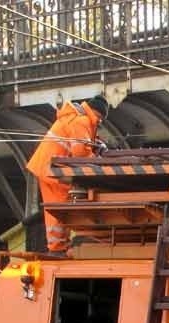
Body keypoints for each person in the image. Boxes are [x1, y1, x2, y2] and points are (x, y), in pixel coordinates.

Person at [26, 95, 109, 254]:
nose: (100, 122)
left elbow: (80, 141)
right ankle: (57, 247)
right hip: (53, 171)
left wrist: (95, 143)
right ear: (97, 114)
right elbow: (80, 152)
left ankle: (58, 246)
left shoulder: (78, 117)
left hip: (50, 168)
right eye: (100, 119)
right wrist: (98, 160)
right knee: (61, 206)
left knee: (58, 207)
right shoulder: (82, 121)